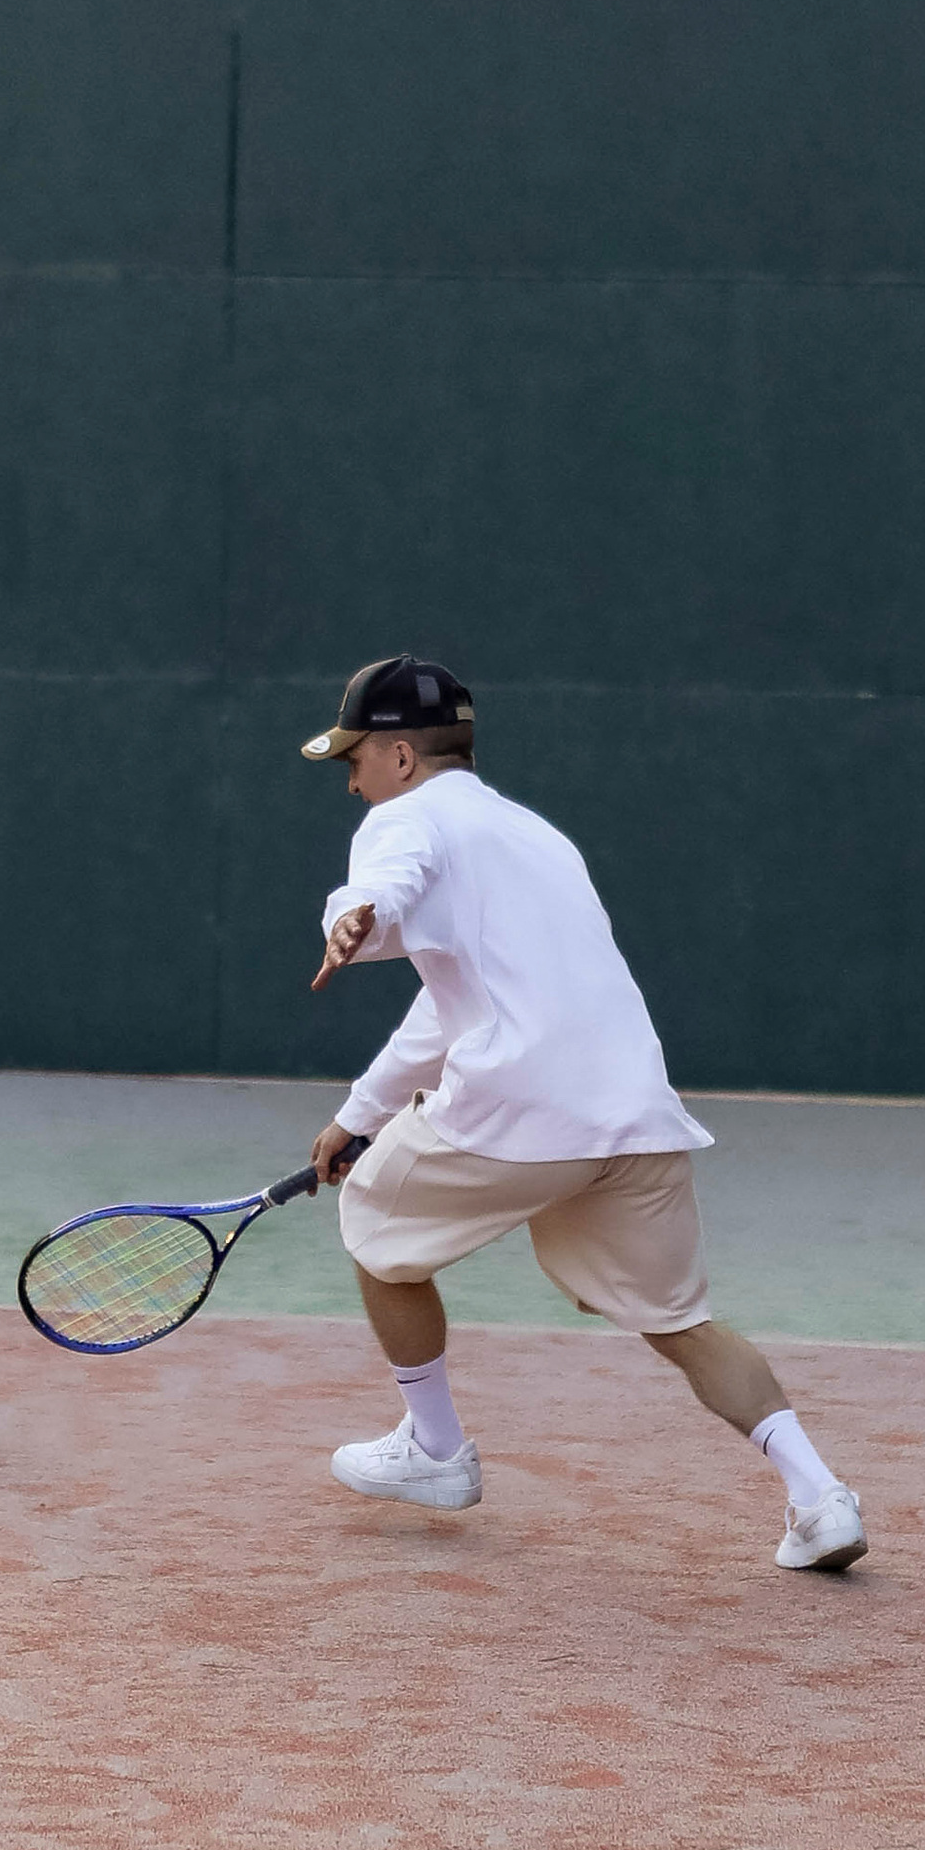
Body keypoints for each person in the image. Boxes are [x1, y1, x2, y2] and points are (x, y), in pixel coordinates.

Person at [301, 654, 865, 1571]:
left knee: (373, 1220)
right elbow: (445, 1007)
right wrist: (360, 1111)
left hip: (525, 1109)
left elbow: (387, 877)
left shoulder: (401, 821)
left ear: (401, 756)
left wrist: (353, 910)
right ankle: (821, 1497)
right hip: (634, 1114)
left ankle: (436, 1450)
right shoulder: (538, 838)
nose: (352, 778)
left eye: (355, 757)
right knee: (682, 1324)